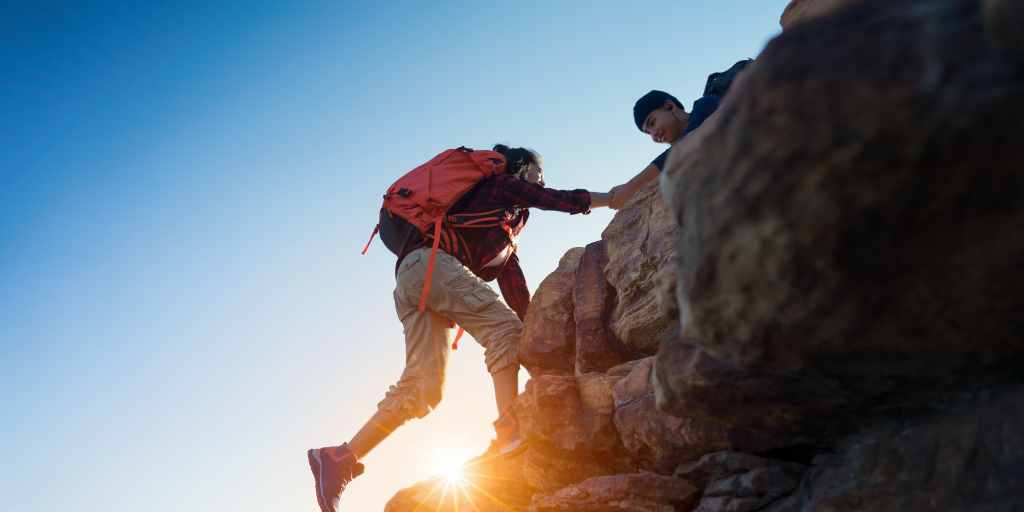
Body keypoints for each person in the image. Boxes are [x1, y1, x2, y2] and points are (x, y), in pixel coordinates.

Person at [307, 144, 613, 512]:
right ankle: (510, 434)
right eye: (538, 173)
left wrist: (536, 335)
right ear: (523, 169)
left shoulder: (501, 229)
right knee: (505, 331)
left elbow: (515, 289)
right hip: (429, 265)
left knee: (424, 389)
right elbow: (554, 199)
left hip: (412, 276)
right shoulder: (501, 187)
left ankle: (339, 458)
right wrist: (611, 198)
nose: (541, 180)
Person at [610, 59, 752, 209]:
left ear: (669, 106)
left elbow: (686, 144)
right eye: (648, 133)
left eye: (652, 123)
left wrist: (630, 187)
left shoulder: (705, 105)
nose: (653, 135)